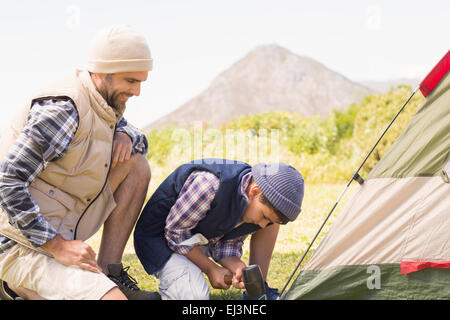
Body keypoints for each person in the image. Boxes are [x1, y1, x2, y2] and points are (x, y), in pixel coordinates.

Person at [0, 25, 160, 300]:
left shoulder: (102, 102)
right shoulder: (62, 110)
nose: (137, 91)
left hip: (62, 225)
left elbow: (140, 140)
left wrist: (124, 133)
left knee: (135, 164)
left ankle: (110, 273)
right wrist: (57, 246)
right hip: (18, 243)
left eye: (141, 81)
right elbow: (7, 181)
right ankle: (11, 285)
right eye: (131, 81)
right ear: (102, 72)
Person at [134, 158, 304, 300]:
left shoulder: (250, 201)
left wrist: (238, 268)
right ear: (254, 192)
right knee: (194, 296)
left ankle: (257, 293)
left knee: (269, 224)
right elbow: (175, 234)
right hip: (162, 240)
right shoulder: (209, 184)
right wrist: (210, 268)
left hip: (198, 237)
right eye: (264, 216)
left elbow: (225, 241)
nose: (260, 226)